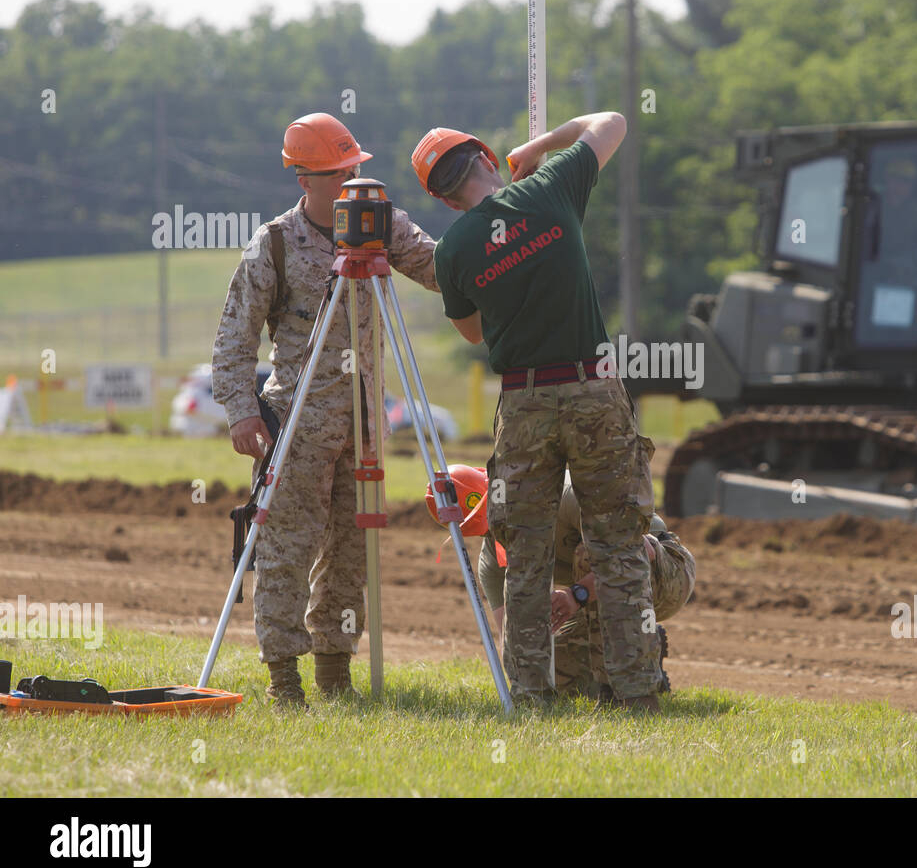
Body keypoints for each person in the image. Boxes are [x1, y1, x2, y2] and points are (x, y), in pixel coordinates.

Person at [411, 112, 662, 712]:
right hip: (594, 391)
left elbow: (472, 332)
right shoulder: (551, 188)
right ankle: (634, 695)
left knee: (521, 554)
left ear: (444, 201)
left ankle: (530, 697)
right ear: (490, 160)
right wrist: (539, 146)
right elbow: (612, 121)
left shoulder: (452, 251)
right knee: (618, 546)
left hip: (523, 402)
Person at [212, 113, 442, 706]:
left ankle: (335, 673)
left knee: (351, 551)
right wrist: (242, 411)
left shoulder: (381, 225)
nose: (351, 185)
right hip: (296, 423)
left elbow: (441, 269)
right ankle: (284, 678)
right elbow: (235, 337)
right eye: (338, 174)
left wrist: (495, 248)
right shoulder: (277, 243)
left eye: (355, 171)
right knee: (287, 547)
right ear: (303, 179)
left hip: (365, 425)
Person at [431, 467, 695, 699]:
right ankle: (641, 652)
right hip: (598, 598)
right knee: (551, 670)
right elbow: (510, 641)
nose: (499, 530)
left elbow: (636, 551)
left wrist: (576, 595)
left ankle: (628, 682)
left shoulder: (566, 495)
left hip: (664, 573)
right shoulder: (493, 561)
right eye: (487, 529)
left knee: (591, 553)